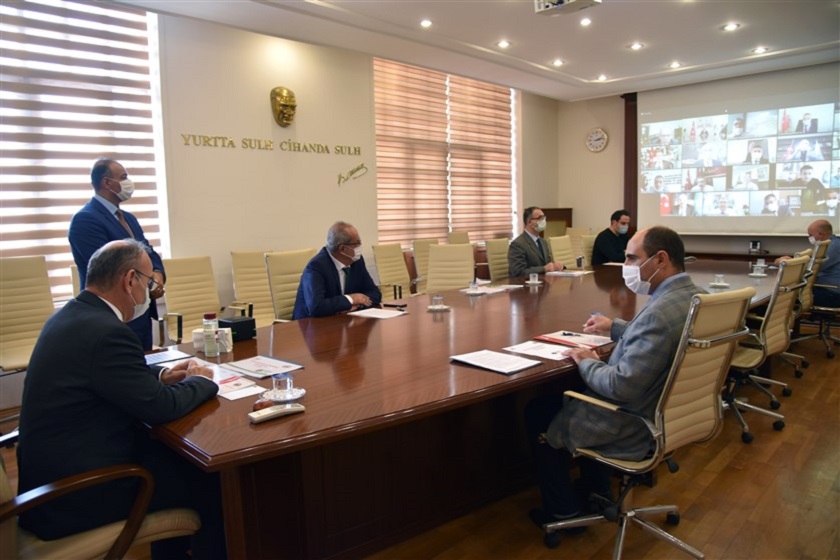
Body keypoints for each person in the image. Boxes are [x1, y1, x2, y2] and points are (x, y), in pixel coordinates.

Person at [16, 239, 224, 559]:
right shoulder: (108, 332)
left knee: (176, 459)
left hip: (48, 483)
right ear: (130, 281)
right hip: (78, 494)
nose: (150, 293)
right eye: (150, 283)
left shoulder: (70, 316)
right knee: (214, 479)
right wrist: (201, 380)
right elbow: (161, 408)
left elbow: (104, 380)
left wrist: (160, 376)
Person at [525, 226, 703, 525]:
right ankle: (598, 491)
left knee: (538, 410)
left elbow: (620, 386)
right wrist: (616, 326)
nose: (627, 267)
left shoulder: (658, 314)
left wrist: (585, 360)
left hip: (632, 423)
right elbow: (661, 335)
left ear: (661, 260)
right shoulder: (694, 297)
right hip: (671, 415)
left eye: (633, 259)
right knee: (577, 397)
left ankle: (563, 510)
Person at [68, 158, 165, 350]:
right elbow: (106, 270)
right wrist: (146, 279)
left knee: (143, 372)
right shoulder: (85, 220)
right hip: (113, 315)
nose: (128, 183)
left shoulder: (129, 218)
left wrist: (157, 275)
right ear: (107, 182)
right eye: (124, 177)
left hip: (140, 312)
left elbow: (148, 252)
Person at [292, 221, 381, 319]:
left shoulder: (357, 261)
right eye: (357, 243)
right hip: (309, 326)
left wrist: (357, 305)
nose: (360, 246)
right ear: (343, 249)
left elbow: (375, 293)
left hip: (343, 321)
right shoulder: (316, 266)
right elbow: (316, 307)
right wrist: (350, 299)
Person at [776, 220, 840, 307]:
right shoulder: (830, 244)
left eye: (810, 235)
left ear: (821, 234)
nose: (810, 238)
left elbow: (809, 268)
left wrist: (785, 262)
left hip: (832, 294)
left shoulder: (833, 247)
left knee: (784, 297)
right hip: (825, 289)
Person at [507, 207, 565, 277]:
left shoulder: (543, 242)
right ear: (529, 222)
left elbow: (547, 264)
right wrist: (544, 269)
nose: (543, 221)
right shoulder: (518, 244)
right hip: (526, 285)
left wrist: (555, 266)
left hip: (544, 283)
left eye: (544, 218)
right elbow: (518, 272)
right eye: (540, 218)